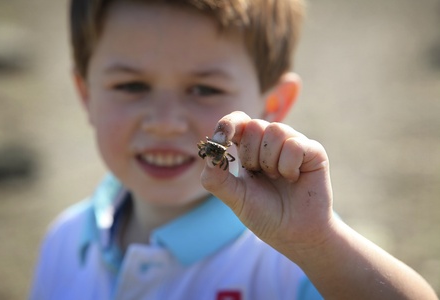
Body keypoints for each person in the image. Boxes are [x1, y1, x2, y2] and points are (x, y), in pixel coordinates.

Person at [30, 0, 438, 299]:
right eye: (131, 86)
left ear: (273, 105)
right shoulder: (64, 241)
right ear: (85, 95)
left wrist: (316, 243)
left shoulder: (295, 260)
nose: (165, 122)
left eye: (204, 89)